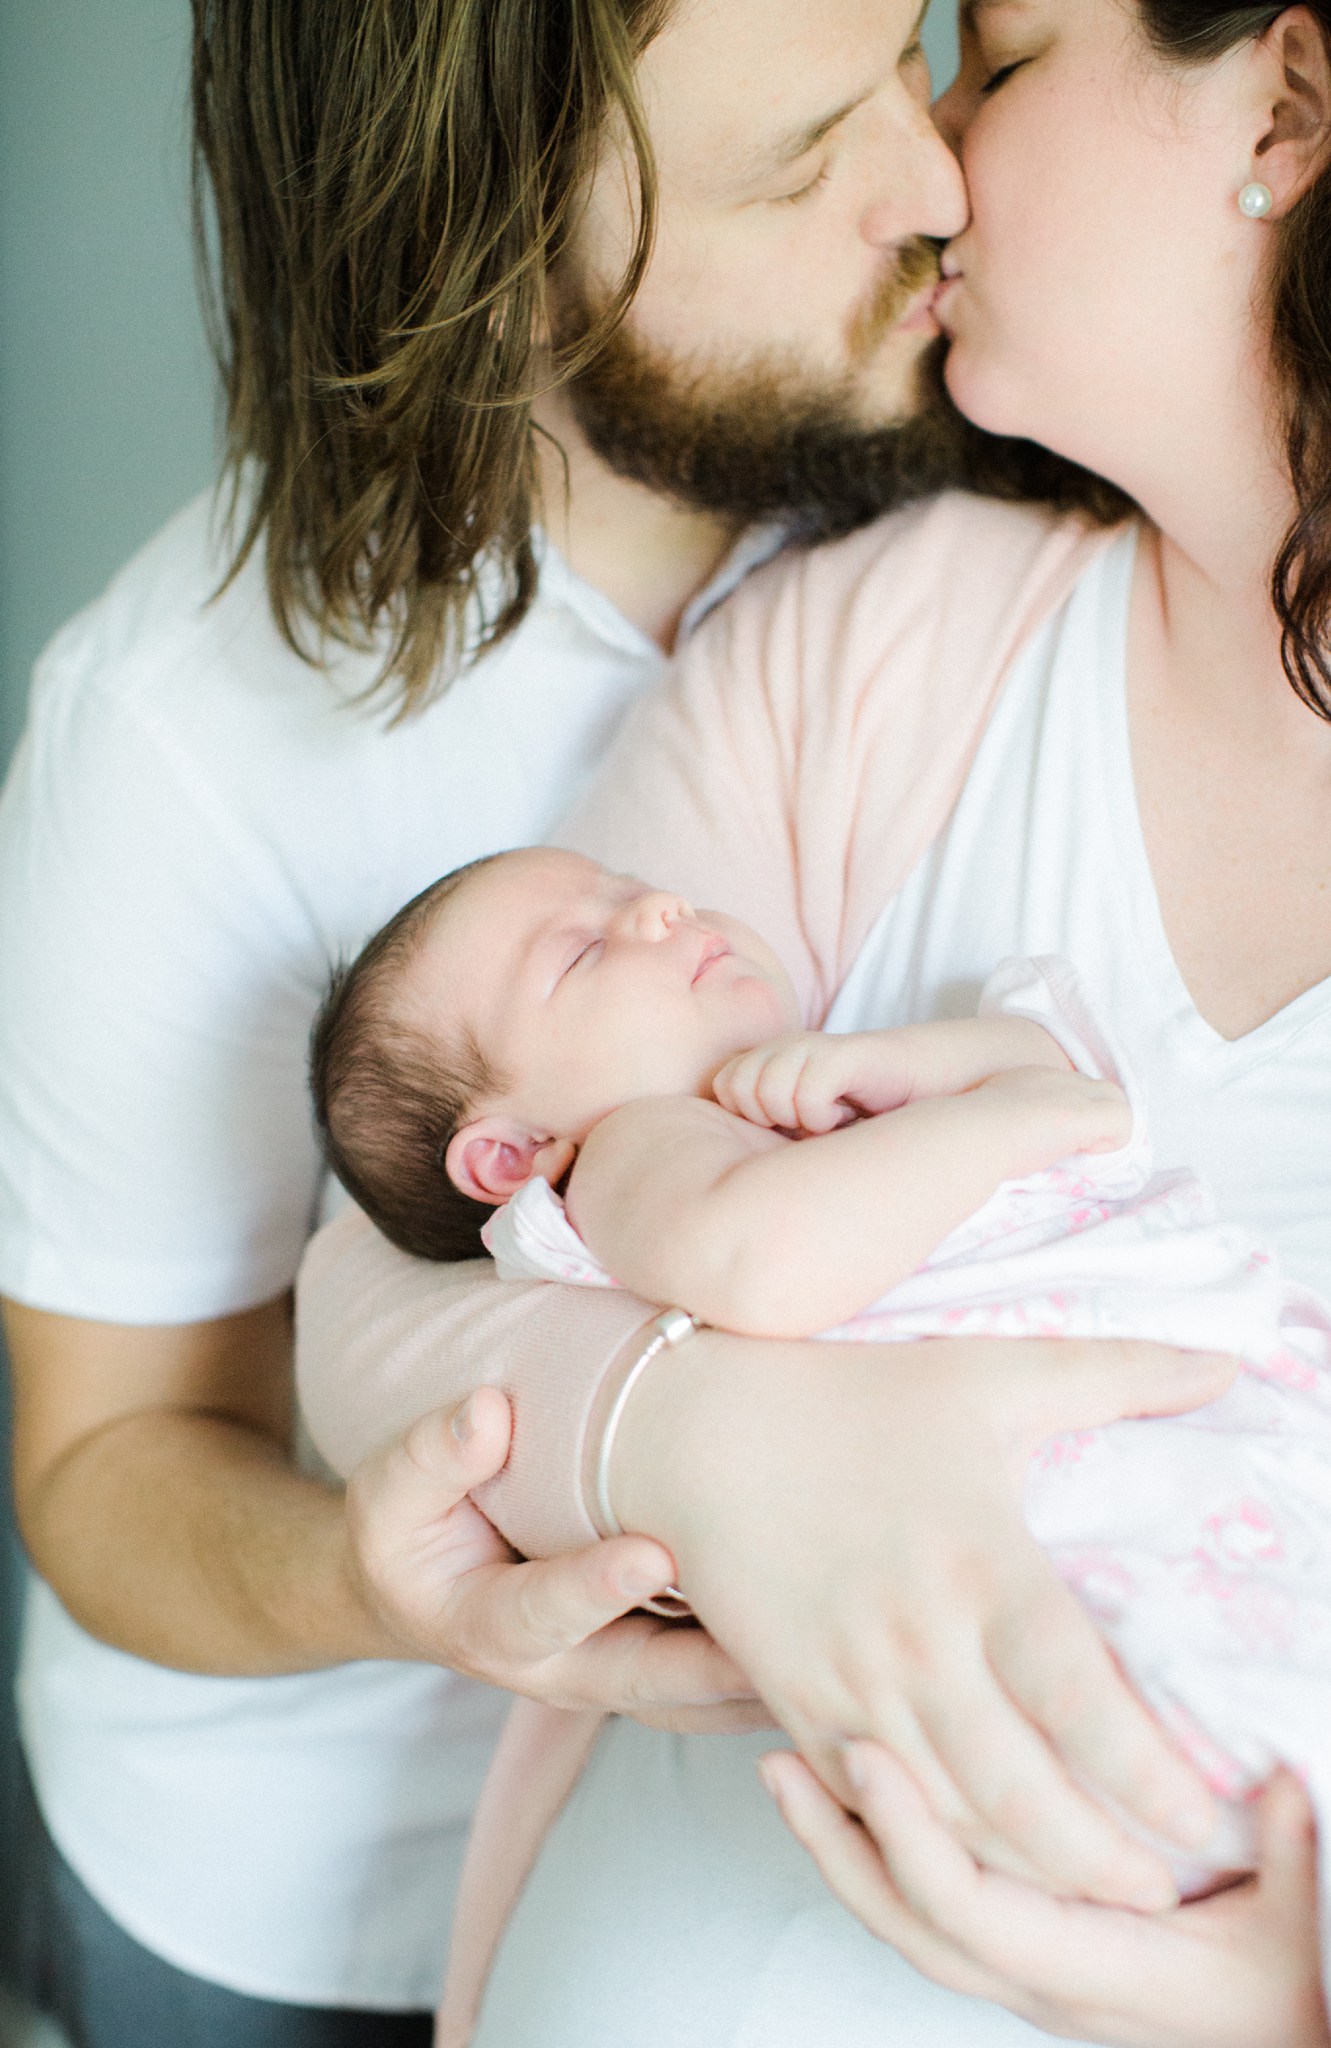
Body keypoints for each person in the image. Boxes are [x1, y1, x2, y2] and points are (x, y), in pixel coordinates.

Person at [0, 0, 1052, 2039]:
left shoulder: (961, 488)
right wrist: (376, 1586)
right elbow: (110, 1460)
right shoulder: (178, 746)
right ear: (485, 263)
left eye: (911, 61)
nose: (935, 187)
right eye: (794, 156)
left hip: (755, 1880)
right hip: (300, 1913)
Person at [293, 1, 1331, 2042]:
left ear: (1284, 109)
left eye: (1001, 63)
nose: (933, 163)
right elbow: (378, 1281)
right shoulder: (875, 652)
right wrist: (713, 1431)